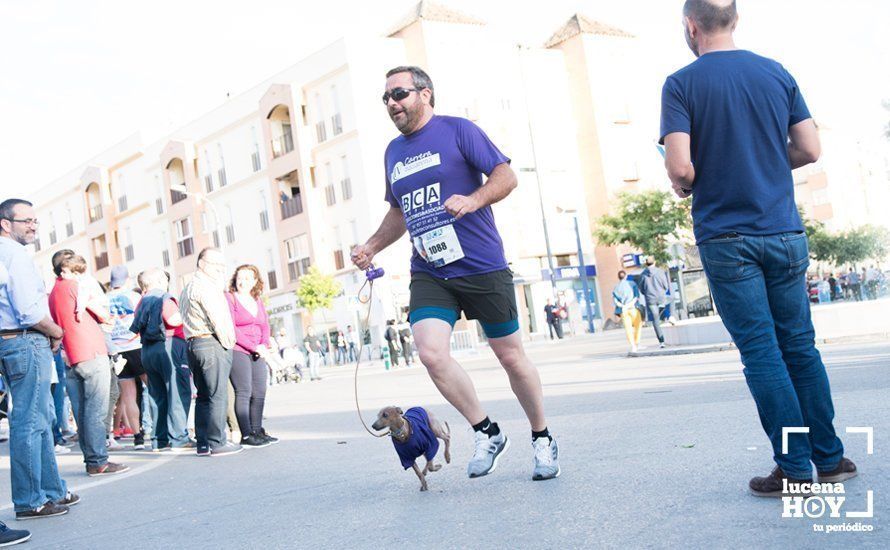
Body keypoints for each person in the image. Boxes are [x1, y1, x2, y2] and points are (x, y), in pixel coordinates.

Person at [660, 0, 855, 496]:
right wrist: (765, 162)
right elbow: (810, 149)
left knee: (763, 354)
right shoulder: (776, 73)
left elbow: (681, 169)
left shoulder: (681, 84)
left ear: (690, 25)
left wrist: (696, 180)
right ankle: (830, 459)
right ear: (735, 20)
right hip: (784, 232)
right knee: (800, 347)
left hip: (728, 238)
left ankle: (794, 468)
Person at [351, 66, 559, 480]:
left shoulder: (459, 130)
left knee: (511, 357)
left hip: (481, 263)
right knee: (430, 353)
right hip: (429, 268)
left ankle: (542, 437)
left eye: (400, 94)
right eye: (386, 98)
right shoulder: (393, 152)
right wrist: (372, 245)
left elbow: (506, 175)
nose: (392, 103)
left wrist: (474, 199)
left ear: (425, 94)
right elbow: (399, 211)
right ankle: (487, 430)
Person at [0, 199, 76, 523]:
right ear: (6, 223)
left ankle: (52, 489)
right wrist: (57, 331)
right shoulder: (14, 254)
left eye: (35, 220)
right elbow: (29, 309)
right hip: (24, 339)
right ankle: (31, 500)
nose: (33, 226)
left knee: (41, 418)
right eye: (26, 221)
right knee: (31, 421)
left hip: (12, 341)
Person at [48, 251, 129, 477]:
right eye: (77, 272)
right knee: (96, 410)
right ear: (66, 270)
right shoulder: (77, 288)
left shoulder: (54, 292)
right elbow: (104, 315)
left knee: (83, 411)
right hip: (91, 350)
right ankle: (98, 461)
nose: (80, 276)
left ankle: (92, 459)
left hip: (71, 355)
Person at [180, 248, 241, 457]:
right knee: (217, 394)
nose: (220, 270)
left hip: (194, 344)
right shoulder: (205, 287)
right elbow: (218, 320)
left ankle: (204, 443)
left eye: (222, 266)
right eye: (217, 265)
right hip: (209, 342)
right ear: (203, 263)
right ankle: (217, 441)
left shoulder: (188, 286)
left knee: (204, 396)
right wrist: (228, 344)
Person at [130, 268, 195, 452]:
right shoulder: (163, 296)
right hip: (169, 345)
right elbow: (173, 319)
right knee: (177, 392)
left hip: (147, 350)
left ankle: (160, 439)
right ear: (160, 280)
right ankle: (179, 438)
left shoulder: (141, 301)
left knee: (156, 395)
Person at [225, 264, 278, 448]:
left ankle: (257, 430)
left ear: (255, 281)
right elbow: (231, 327)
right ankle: (246, 434)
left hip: (258, 350)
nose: (243, 281)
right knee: (244, 391)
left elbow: (265, 325)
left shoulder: (257, 300)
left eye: (248, 278)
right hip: (239, 349)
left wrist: (264, 344)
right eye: (240, 277)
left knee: (260, 391)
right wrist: (253, 346)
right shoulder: (230, 298)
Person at [107, 265, 146, 449]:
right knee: (154, 390)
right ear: (127, 279)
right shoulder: (134, 296)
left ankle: (137, 436)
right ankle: (160, 431)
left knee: (128, 396)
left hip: (118, 350)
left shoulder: (104, 299)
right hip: (137, 345)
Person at [636, 257, 671, 349]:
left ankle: (661, 341)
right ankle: (669, 317)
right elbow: (666, 286)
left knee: (655, 320)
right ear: (654, 262)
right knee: (666, 308)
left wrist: (648, 293)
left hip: (650, 299)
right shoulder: (660, 272)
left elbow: (641, 289)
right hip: (661, 297)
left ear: (646, 264)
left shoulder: (643, 275)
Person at [612, 271, 642, 353]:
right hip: (633, 308)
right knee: (638, 326)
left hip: (623, 311)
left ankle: (633, 346)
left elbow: (615, 301)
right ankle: (637, 343)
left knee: (628, 328)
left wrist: (623, 306)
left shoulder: (616, 287)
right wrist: (630, 304)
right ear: (625, 276)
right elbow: (636, 296)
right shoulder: (632, 284)